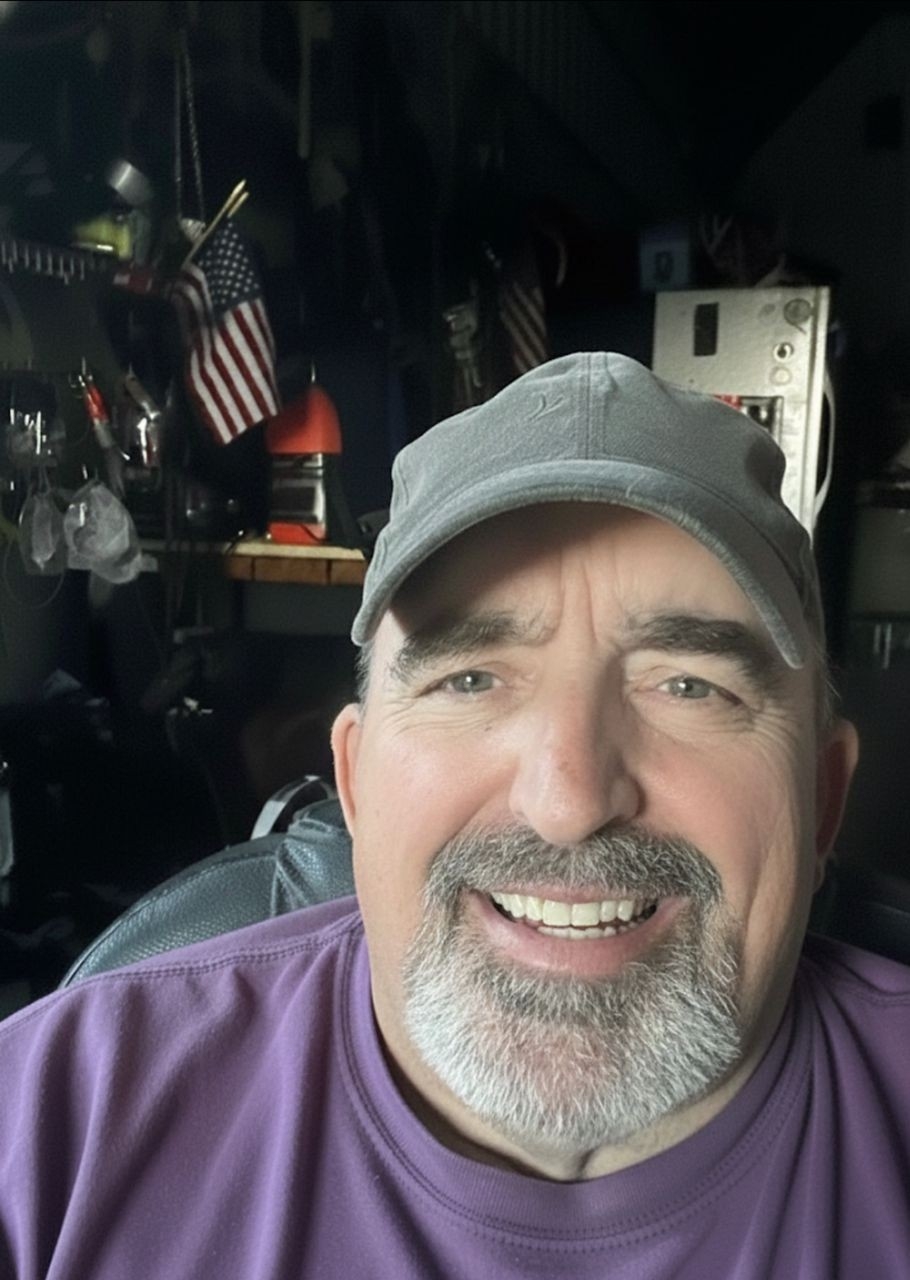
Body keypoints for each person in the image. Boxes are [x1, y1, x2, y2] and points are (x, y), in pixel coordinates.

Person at [1, 351, 908, 1279]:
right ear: (354, 784)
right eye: (470, 680)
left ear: (822, 800)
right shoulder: (51, 1135)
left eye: (689, 686)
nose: (568, 803)